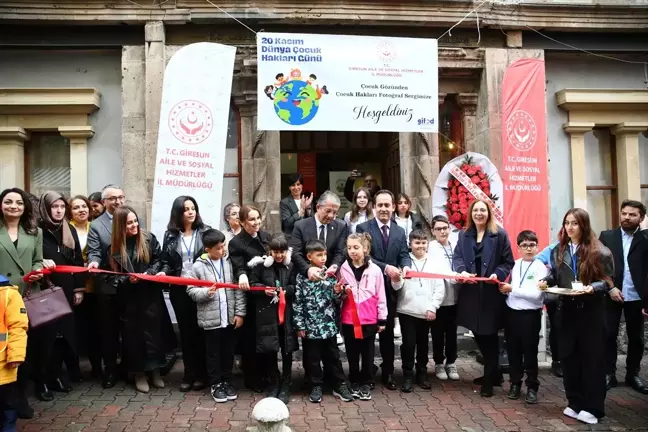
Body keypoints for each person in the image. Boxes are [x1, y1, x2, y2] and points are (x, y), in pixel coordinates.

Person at [538, 208, 614, 425]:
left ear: (584, 225)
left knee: (592, 361)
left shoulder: (600, 251)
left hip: (591, 313)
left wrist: (594, 288)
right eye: (567, 223)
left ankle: (593, 408)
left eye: (575, 223)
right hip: (567, 311)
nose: (570, 227)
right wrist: (547, 281)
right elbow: (555, 274)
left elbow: (608, 280)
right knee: (569, 359)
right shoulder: (559, 250)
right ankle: (575, 402)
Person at [107, 206, 175, 393]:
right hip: (128, 300)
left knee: (154, 335)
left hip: (150, 296)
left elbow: (160, 260)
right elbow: (109, 277)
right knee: (133, 339)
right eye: (129, 223)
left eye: (135, 221)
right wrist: (127, 280)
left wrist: (149, 274)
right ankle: (138, 374)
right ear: (120, 225)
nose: (134, 225)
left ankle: (155, 371)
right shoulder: (112, 249)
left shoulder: (148, 238)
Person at [453, 199, 514, 398]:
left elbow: (508, 262)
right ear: (471, 213)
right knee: (476, 330)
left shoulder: (500, 234)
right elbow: (458, 258)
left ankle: (489, 380)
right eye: (476, 210)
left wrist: (497, 273)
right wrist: (462, 271)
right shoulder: (463, 235)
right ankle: (494, 372)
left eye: (483, 210)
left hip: (490, 293)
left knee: (488, 333)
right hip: (471, 291)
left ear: (489, 213)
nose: (479, 213)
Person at [289, 191, 348, 385]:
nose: (331, 216)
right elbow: (296, 253)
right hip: (306, 284)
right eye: (328, 211)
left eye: (335, 212)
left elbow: (340, 251)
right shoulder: (301, 226)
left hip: (329, 287)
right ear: (318, 207)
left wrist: (334, 266)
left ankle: (334, 378)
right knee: (311, 344)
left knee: (331, 338)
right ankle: (312, 379)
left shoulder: (340, 226)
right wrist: (308, 270)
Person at [356, 190, 411, 390]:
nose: (384, 209)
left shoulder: (399, 231)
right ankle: (366, 372)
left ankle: (388, 372)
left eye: (387, 205)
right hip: (368, 291)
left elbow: (404, 254)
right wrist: (386, 268)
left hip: (390, 291)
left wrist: (405, 266)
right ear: (373, 207)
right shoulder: (363, 228)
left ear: (393, 207)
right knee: (369, 334)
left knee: (387, 334)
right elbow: (363, 256)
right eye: (380, 205)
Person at [186, 229, 245, 403]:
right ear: (207, 249)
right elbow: (190, 289)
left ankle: (227, 381)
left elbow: (238, 289)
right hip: (211, 320)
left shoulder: (229, 262)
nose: (222, 251)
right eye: (218, 248)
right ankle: (216, 384)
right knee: (213, 353)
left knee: (228, 352)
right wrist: (206, 293)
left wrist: (240, 313)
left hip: (229, 318)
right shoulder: (198, 266)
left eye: (224, 246)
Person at [36, 192, 86, 400]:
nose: (58, 211)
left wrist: (79, 289)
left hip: (65, 291)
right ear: (45, 209)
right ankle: (41, 382)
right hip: (43, 292)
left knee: (62, 336)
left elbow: (77, 263)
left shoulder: (69, 229)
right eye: (53, 207)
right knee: (44, 338)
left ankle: (55, 376)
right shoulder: (36, 230)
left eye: (61, 206)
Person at [0, 188, 44, 419]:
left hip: (27, 295)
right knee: (2, 349)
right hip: (1, 297)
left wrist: (37, 272)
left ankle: (20, 397)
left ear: (25, 207)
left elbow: (38, 260)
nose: (13, 206)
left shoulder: (34, 231)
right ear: (1, 205)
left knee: (24, 351)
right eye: (8, 202)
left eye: (18, 202)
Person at [293, 240, 353, 403]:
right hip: (311, 327)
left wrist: (339, 292)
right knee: (312, 359)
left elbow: (337, 300)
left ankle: (338, 384)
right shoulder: (302, 277)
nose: (323, 258)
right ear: (309, 257)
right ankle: (315, 385)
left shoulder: (331, 275)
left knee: (333, 357)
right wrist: (299, 325)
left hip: (329, 326)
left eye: (325, 254)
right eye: (319, 255)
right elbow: (298, 302)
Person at [161, 196, 211, 392]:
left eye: (193, 208)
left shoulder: (205, 231)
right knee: (186, 332)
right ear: (178, 213)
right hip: (180, 289)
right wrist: (164, 272)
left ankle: (202, 374)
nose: (191, 212)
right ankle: (189, 373)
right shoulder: (170, 235)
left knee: (201, 332)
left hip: (200, 286)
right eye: (186, 209)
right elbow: (166, 260)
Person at [599, 200, 648, 394]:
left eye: (632, 215)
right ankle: (608, 374)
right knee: (608, 334)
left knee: (636, 337)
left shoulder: (645, 239)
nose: (627, 217)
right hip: (612, 294)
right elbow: (600, 266)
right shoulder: (607, 236)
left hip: (637, 295)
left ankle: (632, 374)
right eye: (624, 213)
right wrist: (610, 288)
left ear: (641, 218)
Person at [499, 230, 548, 404]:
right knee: (513, 352)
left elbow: (536, 296)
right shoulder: (515, 264)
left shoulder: (540, 267)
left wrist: (512, 290)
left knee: (530, 353)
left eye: (532, 245)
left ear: (537, 247)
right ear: (518, 248)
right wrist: (505, 289)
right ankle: (515, 383)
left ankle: (532, 386)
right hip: (512, 313)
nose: (528, 249)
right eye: (524, 246)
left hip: (530, 315)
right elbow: (513, 286)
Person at [338, 232, 389, 401]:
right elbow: (337, 292)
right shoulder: (343, 268)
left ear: (366, 249)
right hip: (349, 319)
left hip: (369, 320)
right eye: (349, 247)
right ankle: (354, 379)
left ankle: (367, 381)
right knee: (352, 352)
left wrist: (382, 318)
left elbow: (381, 295)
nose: (352, 251)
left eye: (356, 247)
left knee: (367, 353)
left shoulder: (375, 270)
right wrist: (340, 292)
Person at [248, 234, 297, 404]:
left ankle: (286, 383)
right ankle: (274, 382)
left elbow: (295, 287)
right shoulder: (261, 266)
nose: (279, 255)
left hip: (286, 314)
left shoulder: (291, 266)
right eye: (275, 252)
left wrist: (284, 290)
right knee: (270, 349)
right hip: (267, 314)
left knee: (287, 349)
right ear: (270, 251)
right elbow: (252, 284)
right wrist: (263, 289)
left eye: (282, 252)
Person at [394, 229, 444, 393]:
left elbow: (439, 288)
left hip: (425, 311)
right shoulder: (404, 261)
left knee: (423, 344)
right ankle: (408, 374)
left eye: (423, 242)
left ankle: (421, 373)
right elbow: (397, 286)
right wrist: (397, 279)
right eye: (417, 242)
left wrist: (433, 307)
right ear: (410, 244)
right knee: (408, 344)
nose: (420, 246)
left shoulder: (434, 263)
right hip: (407, 310)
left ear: (427, 244)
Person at [86, 184, 126, 388]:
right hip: (107, 286)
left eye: (121, 197)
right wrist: (93, 262)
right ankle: (110, 369)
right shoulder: (96, 226)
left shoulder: (133, 218)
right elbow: (94, 252)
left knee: (129, 329)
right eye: (113, 198)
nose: (118, 201)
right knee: (108, 330)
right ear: (104, 202)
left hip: (130, 285)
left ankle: (129, 368)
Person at [228, 205, 270, 392]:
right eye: (251, 220)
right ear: (242, 222)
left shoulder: (266, 236)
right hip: (250, 294)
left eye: (258, 218)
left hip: (267, 292)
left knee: (265, 335)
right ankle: (252, 377)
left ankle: (267, 372)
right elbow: (238, 264)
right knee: (251, 338)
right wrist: (242, 274)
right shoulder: (236, 242)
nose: (256, 223)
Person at [68, 195, 101, 379]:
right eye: (76, 207)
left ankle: (97, 368)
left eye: (84, 206)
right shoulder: (66, 230)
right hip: (75, 286)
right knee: (78, 328)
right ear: (70, 211)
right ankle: (75, 370)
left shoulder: (95, 227)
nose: (81, 210)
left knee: (96, 328)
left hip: (96, 286)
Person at [428, 215, 460, 381]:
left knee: (452, 332)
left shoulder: (454, 246)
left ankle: (451, 362)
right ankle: (439, 363)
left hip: (455, 297)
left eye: (445, 228)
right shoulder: (432, 247)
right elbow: (441, 270)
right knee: (438, 332)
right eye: (438, 228)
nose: (442, 231)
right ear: (433, 231)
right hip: (439, 298)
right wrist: (458, 276)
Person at [0, 274, 28, 432]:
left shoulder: (8, 293)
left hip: (4, 361)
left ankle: (8, 425)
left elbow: (18, 327)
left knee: (7, 400)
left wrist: (16, 355)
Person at [535, 241, 562, 378]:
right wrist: (549, 272)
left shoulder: (585, 246)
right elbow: (537, 260)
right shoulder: (553, 248)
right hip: (556, 293)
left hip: (578, 294)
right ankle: (557, 361)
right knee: (557, 328)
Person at [280, 173, 313, 240]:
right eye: (293, 185)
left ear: (302, 186)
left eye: (298, 184)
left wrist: (308, 208)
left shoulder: (306, 200)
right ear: (289, 187)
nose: (296, 188)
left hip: (306, 238)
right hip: (291, 238)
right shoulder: (284, 202)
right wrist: (300, 212)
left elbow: (312, 222)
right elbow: (286, 224)